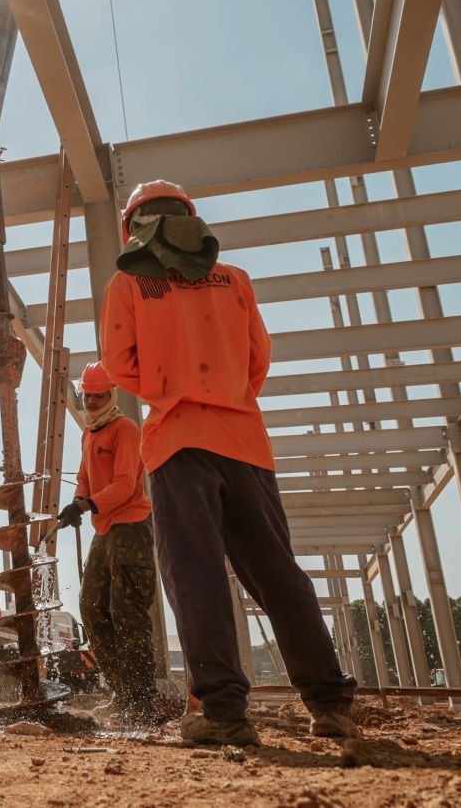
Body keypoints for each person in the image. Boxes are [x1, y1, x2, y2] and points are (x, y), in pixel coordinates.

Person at [100, 180, 357, 747]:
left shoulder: (130, 282)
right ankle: (329, 702)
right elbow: (258, 358)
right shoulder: (234, 279)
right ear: (191, 218)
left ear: (132, 227)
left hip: (177, 442)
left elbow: (120, 366)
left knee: (196, 577)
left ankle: (224, 712)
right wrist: (229, 398)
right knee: (278, 573)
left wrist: (174, 393)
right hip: (245, 442)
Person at [57, 360, 163, 724]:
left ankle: (143, 699)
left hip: (130, 525)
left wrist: (89, 504)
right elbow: (85, 476)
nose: (92, 402)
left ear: (111, 395)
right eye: (88, 397)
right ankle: (125, 693)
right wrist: (78, 502)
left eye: (99, 397)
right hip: (104, 529)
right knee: (91, 607)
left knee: (127, 612)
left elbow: (124, 483)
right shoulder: (90, 434)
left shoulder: (126, 430)